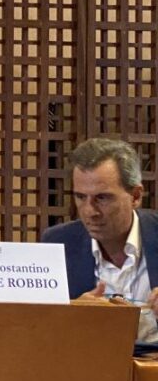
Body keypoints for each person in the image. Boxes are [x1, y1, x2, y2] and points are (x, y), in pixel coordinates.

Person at [41, 137, 158, 341]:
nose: (90, 211)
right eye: (81, 197)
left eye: (102, 198)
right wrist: (73, 314)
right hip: (87, 358)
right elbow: (38, 328)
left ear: (136, 196)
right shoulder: (59, 243)